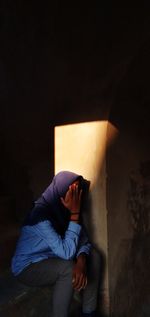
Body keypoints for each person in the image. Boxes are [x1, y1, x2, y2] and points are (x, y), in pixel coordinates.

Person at [11, 171, 101, 317]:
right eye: (72, 191)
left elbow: (83, 240)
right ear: (61, 191)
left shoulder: (64, 213)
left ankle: (88, 313)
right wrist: (75, 214)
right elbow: (67, 253)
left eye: (77, 191)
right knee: (67, 267)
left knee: (94, 256)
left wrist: (82, 258)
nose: (76, 196)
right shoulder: (40, 216)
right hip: (28, 266)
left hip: (51, 257)